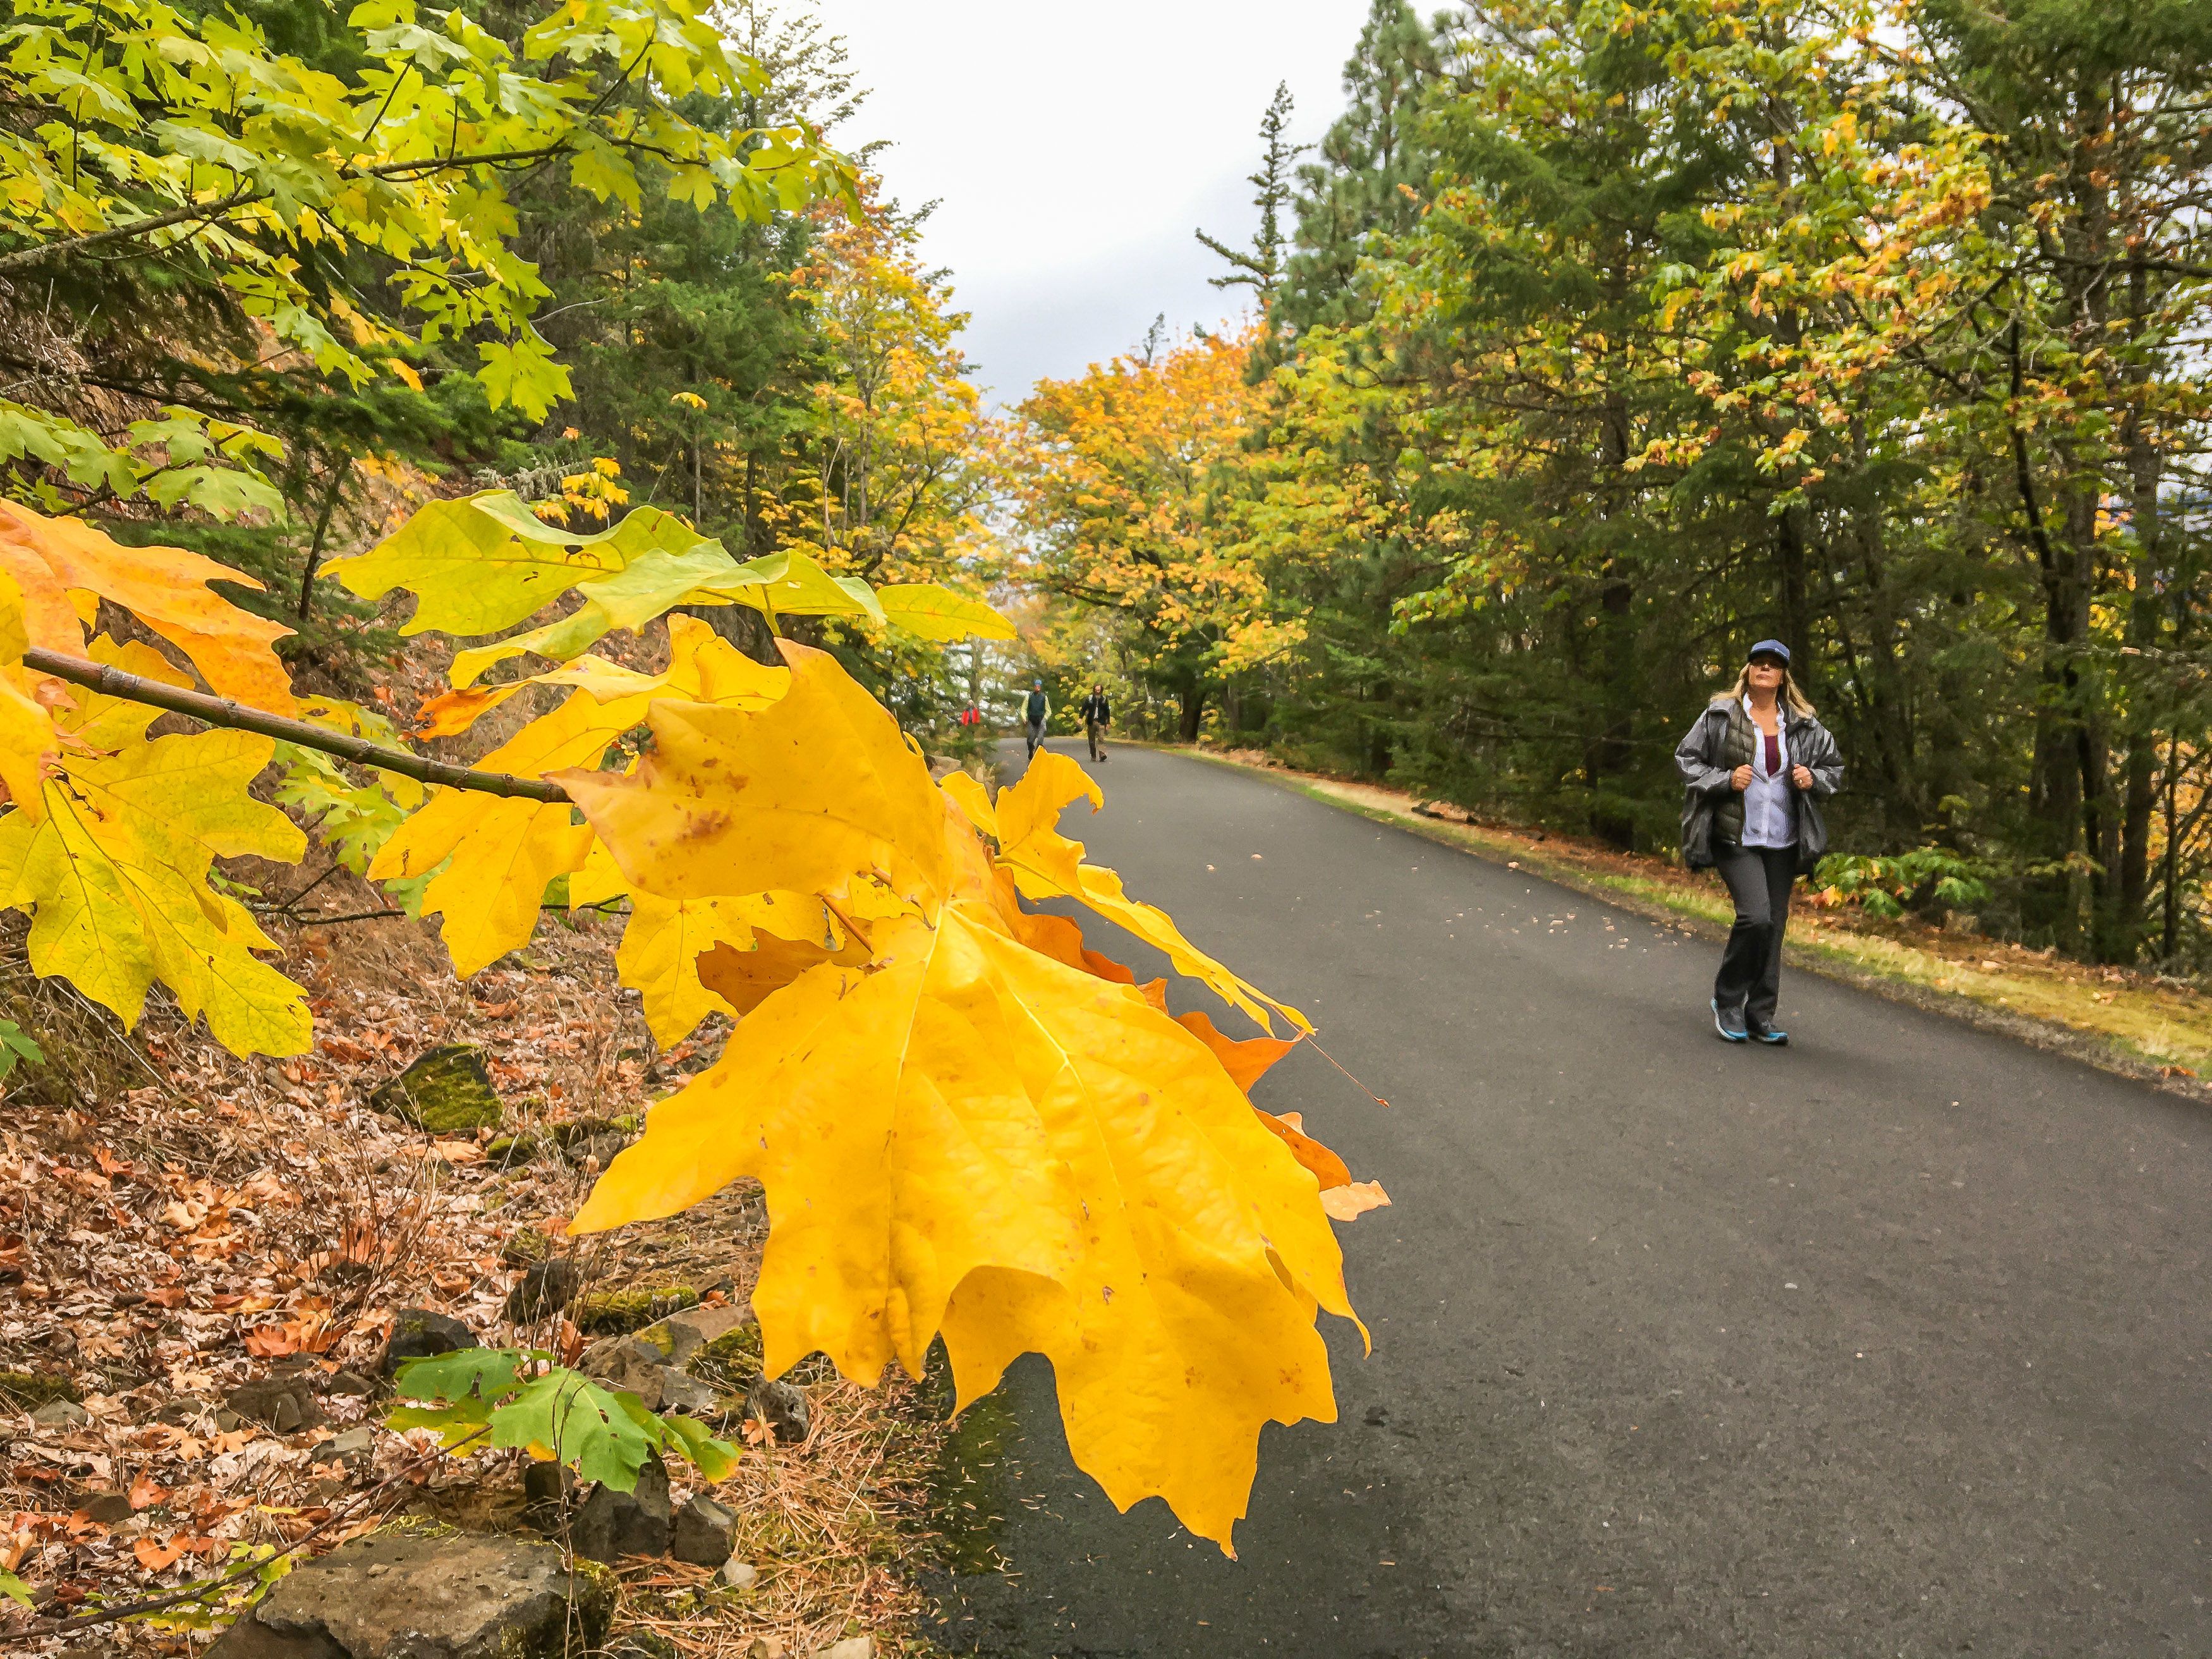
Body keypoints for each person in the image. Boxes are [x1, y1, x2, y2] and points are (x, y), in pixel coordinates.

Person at [1675, 639, 1843, 1045]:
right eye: (1758, 663)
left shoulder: (1803, 724)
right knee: (1756, 917)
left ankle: (1760, 1014)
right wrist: (1725, 779)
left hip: (1783, 838)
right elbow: (1687, 759)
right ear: (1748, 671)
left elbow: (1833, 768)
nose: (1764, 669)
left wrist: (1813, 778)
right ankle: (1728, 1000)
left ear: (1783, 676)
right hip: (1735, 834)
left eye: (1773, 664)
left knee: (1775, 926)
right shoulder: (1720, 715)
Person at [1078, 683, 1112, 762]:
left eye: (1099, 689)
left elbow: (1107, 711)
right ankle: (1093, 755)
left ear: (1101, 690)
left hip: (1101, 722)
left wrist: (1108, 722)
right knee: (1091, 740)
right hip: (1091, 722)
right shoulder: (1089, 699)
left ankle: (1102, 754)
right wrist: (1080, 718)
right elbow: (1083, 709)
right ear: (1094, 690)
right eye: (1096, 689)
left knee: (1101, 739)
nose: (1098, 691)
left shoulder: (1104, 699)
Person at [1023, 682, 1049, 758]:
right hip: (1032, 720)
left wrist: (1045, 718)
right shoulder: (1029, 696)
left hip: (1041, 721)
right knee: (1030, 740)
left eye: (1039, 686)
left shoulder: (1044, 697)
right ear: (1034, 687)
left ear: (1040, 687)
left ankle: (1037, 756)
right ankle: (1031, 750)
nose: (1037, 688)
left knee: (1040, 740)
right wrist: (1024, 718)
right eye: (1036, 686)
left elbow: (1048, 711)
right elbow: (1024, 709)